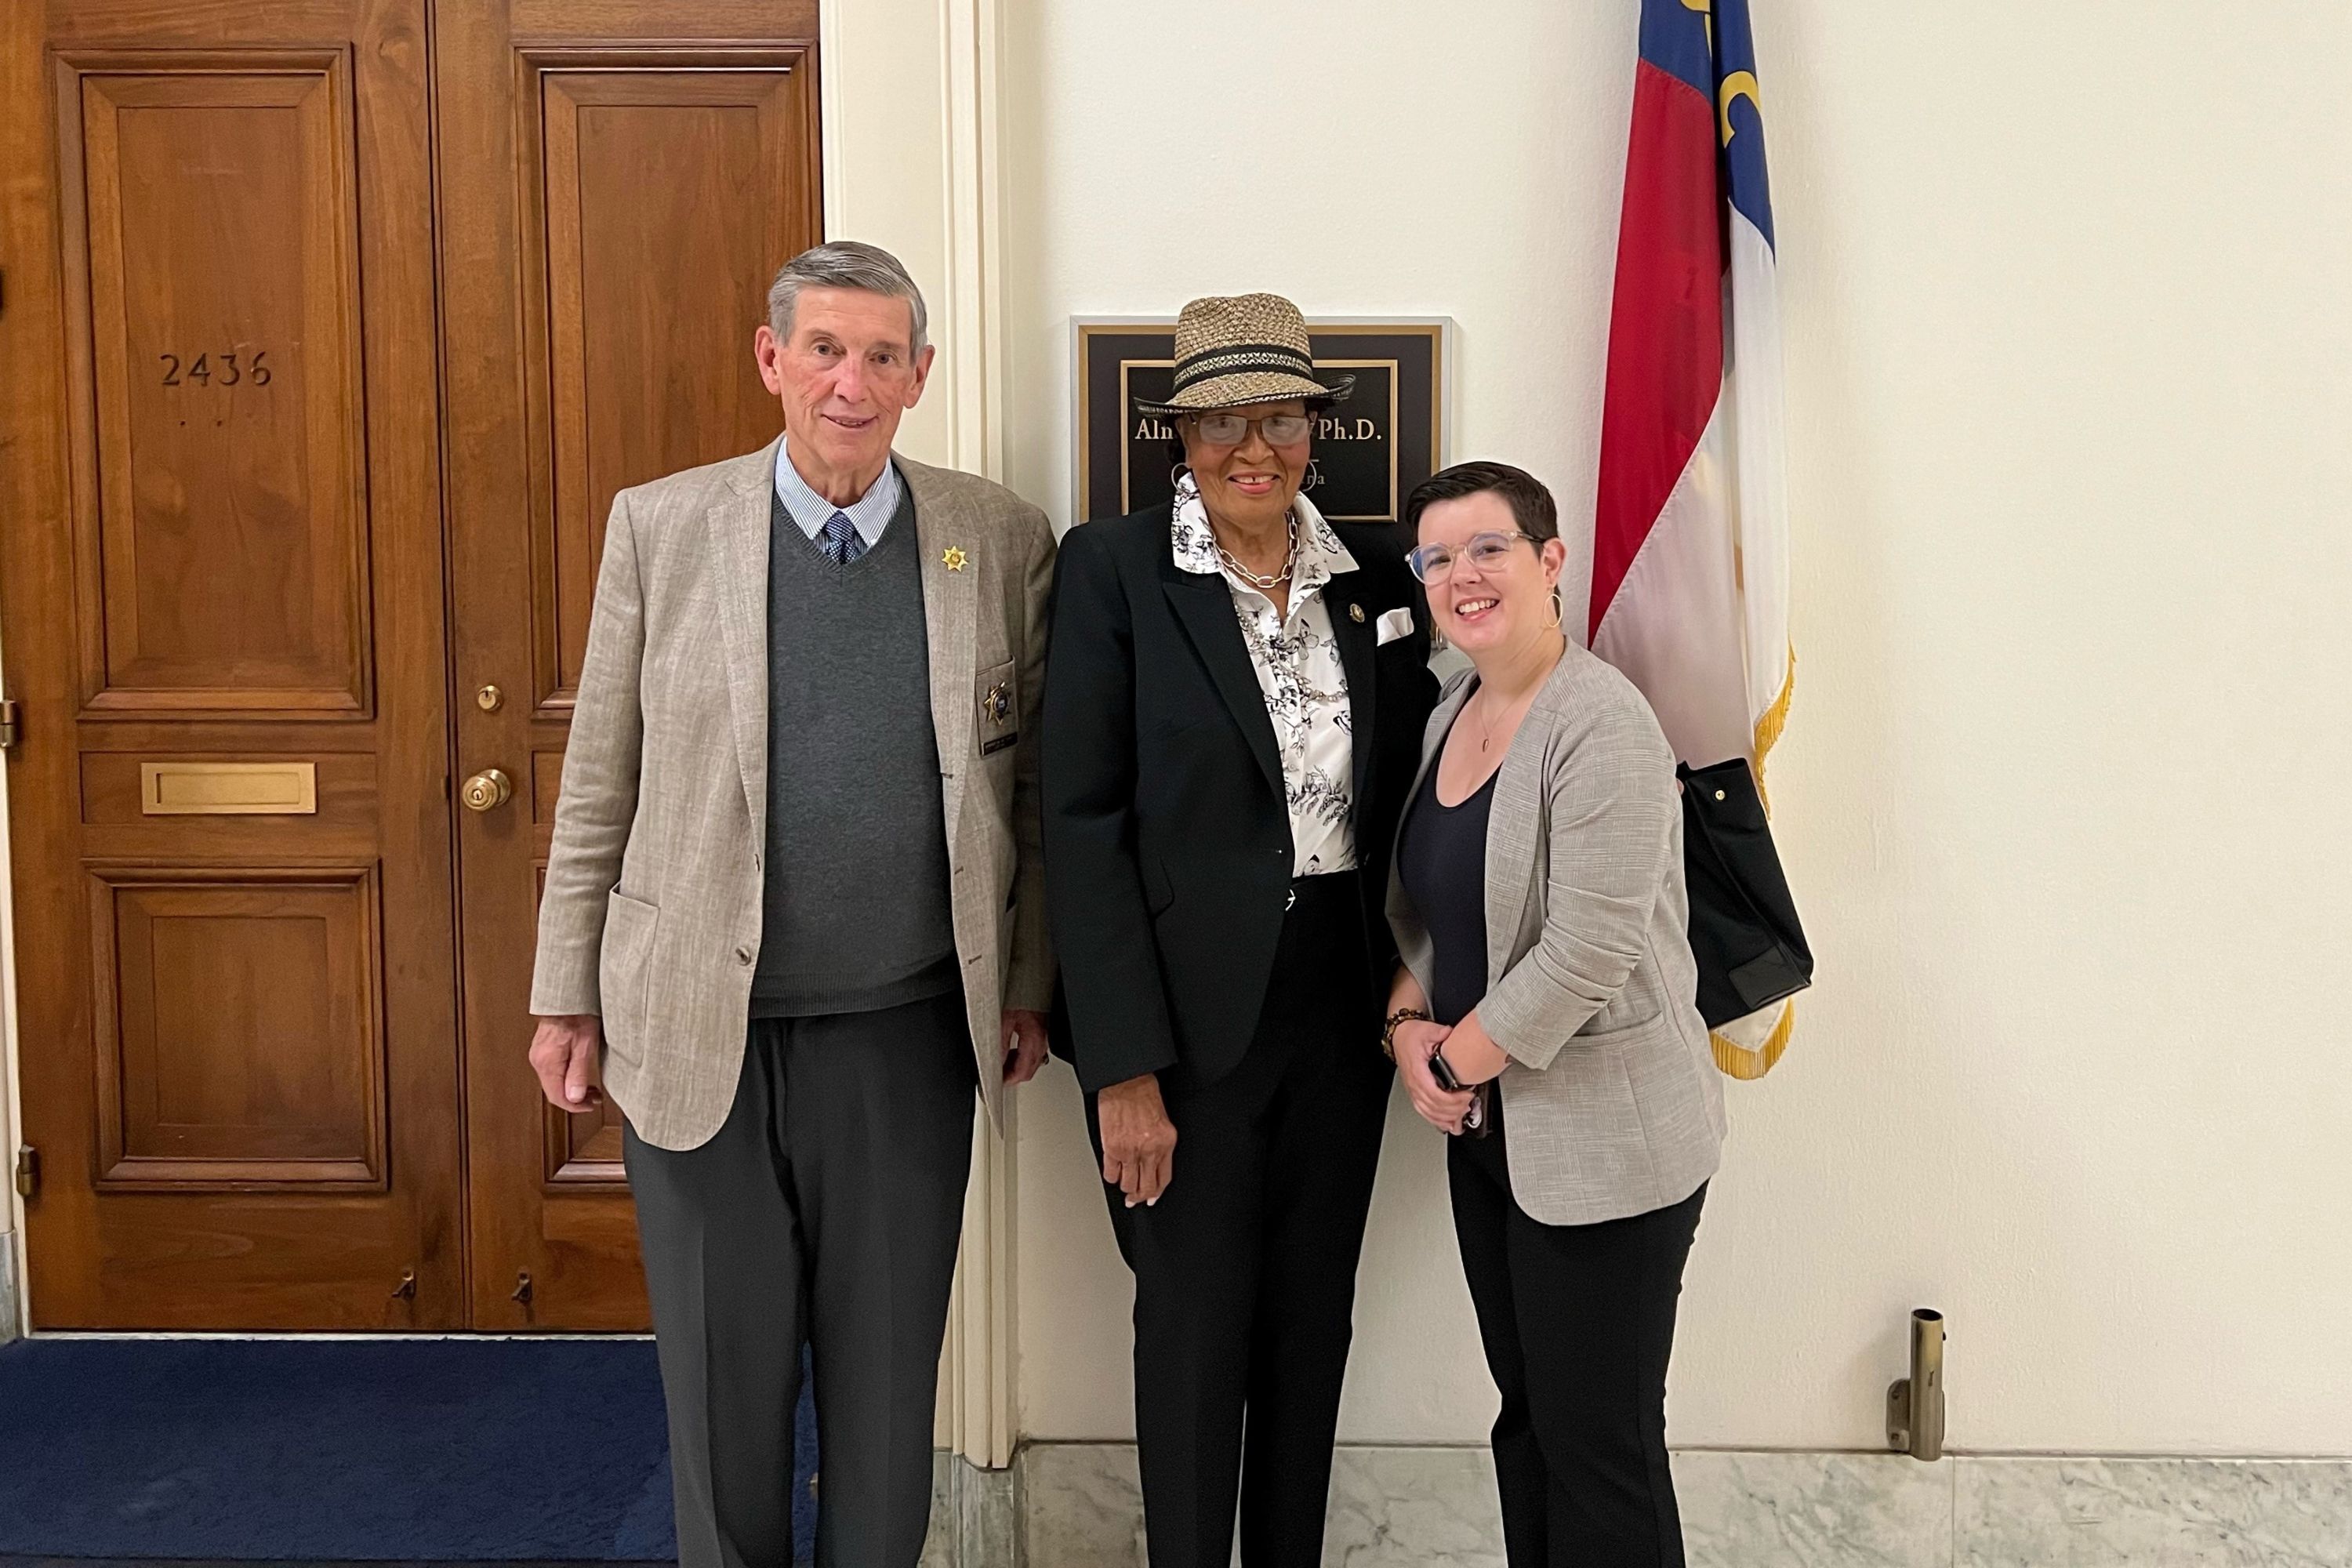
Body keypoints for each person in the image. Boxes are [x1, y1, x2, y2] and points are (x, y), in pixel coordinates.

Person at [527, 241, 1056, 1568]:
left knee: (887, 1399)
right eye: (825, 349)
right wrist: (564, 988)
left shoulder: (995, 538)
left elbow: (1035, 791)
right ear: (773, 360)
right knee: (724, 1393)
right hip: (697, 1030)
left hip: (906, 1039)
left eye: (883, 356)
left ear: (920, 376)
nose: (850, 382)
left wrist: (1031, 983)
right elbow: (601, 772)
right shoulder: (663, 525)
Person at [1041, 292, 1439, 1568]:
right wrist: (1121, 1068)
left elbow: (1409, 797)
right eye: (1222, 421)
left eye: (1277, 417)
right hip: (1182, 1019)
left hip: (1341, 1000)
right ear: (1183, 433)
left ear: (1316, 429)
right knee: (1197, 1328)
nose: (1250, 447)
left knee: (1311, 1322)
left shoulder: (1375, 577)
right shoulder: (1112, 570)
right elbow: (1080, 823)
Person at [1385, 461, 1725, 1568]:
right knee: (1528, 1423)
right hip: (1496, 1138)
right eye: (1439, 558)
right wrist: (1405, 1024)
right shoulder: (1452, 711)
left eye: (1488, 548)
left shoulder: (1603, 724)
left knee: (1600, 1445)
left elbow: (1589, 950)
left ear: (1550, 563)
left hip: (1608, 1146)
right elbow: (1428, 911)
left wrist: (1454, 1064)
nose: (1462, 575)